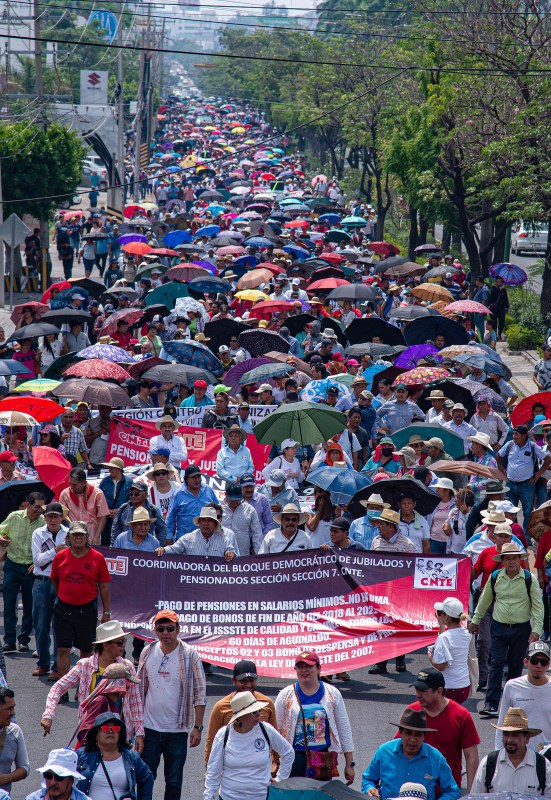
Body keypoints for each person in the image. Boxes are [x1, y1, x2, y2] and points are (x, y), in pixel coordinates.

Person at [137, 610, 207, 800]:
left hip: (177, 731)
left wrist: (198, 727)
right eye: (161, 629)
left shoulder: (190, 654)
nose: (165, 633)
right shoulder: (148, 651)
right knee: (145, 778)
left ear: (178, 629)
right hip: (149, 728)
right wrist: (137, 729)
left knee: (174, 782)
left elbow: (200, 692)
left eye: (170, 628)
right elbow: (138, 691)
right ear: (155, 630)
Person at [41, 620, 144, 747]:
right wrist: (48, 715)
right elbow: (58, 687)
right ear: (105, 645)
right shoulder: (85, 666)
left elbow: (135, 701)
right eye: (119, 642)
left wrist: (139, 733)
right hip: (92, 735)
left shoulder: (127, 666)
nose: (123, 646)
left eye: (124, 641)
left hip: (120, 736)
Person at [470, 542, 543, 717]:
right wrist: (476, 620)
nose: (511, 562)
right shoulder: (495, 577)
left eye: (514, 558)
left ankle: (512, 705)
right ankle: (491, 703)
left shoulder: (529, 578)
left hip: (521, 629)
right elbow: (484, 601)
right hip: (499, 627)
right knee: (496, 663)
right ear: (502, 561)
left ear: (520, 560)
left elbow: (538, 606)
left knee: (516, 666)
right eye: (508, 559)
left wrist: (537, 630)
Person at [275, 650, 355, 782]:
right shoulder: (285, 695)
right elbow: (276, 731)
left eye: (309, 666)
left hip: (322, 760)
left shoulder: (333, 694)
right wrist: (275, 762)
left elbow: (344, 728)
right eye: (300, 667)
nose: (304, 670)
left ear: (319, 668)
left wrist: (349, 764)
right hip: (294, 760)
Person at [204, 691, 294, 800]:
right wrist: (208, 797)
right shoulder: (223, 734)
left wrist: (280, 780)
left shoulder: (266, 729)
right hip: (229, 797)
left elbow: (288, 753)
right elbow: (213, 771)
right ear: (240, 716)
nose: (258, 714)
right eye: (253, 712)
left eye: (259, 710)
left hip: (261, 797)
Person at [51, 521, 111, 681]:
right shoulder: (60, 557)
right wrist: (65, 596)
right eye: (74, 534)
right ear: (69, 537)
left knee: (86, 651)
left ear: (86, 537)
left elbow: (104, 586)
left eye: (81, 535)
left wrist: (106, 612)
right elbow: (55, 581)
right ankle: (63, 687)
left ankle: (83, 687)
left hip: (87, 610)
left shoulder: (97, 558)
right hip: (64, 609)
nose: (78, 538)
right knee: (62, 649)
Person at [405, 668, 480, 791]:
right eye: (416, 689)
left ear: (439, 691)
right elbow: (397, 748)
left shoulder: (461, 715)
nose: (418, 695)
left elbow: (471, 755)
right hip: (416, 790)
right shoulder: (412, 712)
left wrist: (472, 793)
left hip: (448, 791)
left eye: (423, 691)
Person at [361, 707, 460, 800]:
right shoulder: (383, 752)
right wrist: (369, 788)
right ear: (400, 732)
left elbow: (452, 790)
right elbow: (368, 779)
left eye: (418, 735)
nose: (412, 740)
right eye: (408, 733)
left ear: (424, 736)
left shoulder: (436, 758)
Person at [204, 659, 277, 765]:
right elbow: (211, 742)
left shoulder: (266, 703)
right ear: (233, 680)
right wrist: (208, 771)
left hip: (260, 770)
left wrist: (276, 767)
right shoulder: (220, 707)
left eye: (251, 680)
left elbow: (276, 739)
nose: (248, 685)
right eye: (243, 681)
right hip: (232, 768)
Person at [0, 489, 45, 652]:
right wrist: (2, 539)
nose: (39, 511)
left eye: (41, 508)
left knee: (29, 605)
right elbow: (0, 531)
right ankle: (9, 640)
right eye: (37, 507)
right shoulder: (14, 517)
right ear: (28, 505)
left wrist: (38, 564)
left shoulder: (42, 522)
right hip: (12, 564)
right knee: (9, 603)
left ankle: (24, 640)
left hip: (31, 568)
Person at [471, 707, 551, 795]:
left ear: (527, 738)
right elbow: (476, 796)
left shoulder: (544, 767)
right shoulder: (488, 764)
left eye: (515, 735)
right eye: (506, 734)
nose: (509, 740)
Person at [77, 712, 153, 800]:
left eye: (115, 728)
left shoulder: (131, 757)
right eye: (105, 728)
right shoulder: (82, 755)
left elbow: (147, 778)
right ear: (96, 734)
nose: (111, 731)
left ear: (119, 734)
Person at [31, 502, 68, 678]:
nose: (53, 520)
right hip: (42, 581)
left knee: (59, 625)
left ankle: (56, 666)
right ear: (44, 518)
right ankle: (43, 663)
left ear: (62, 518)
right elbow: (37, 560)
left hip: (62, 582)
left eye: (56, 516)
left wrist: (56, 554)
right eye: (50, 516)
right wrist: (56, 551)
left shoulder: (68, 534)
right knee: (40, 624)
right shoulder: (38, 533)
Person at [494, 641, 551, 753]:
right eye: (534, 661)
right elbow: (502, 723)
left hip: (547, 756)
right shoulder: (512, 686)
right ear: (526, 662)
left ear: (548, 665)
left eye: (543, 662)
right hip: (518, 755)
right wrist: (498, 752)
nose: (539, 665)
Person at [497, 425, 551, 536]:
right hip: (510, 484)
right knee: (510, 512)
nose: (514, 436)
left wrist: (538, 474)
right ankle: (512, 534)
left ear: (524, 436)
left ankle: (526, 536)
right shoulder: (510, 445)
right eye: (513, 434)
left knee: (527, 512)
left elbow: (547, 459)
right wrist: (502, 469)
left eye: (516, 434)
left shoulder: (533, 446)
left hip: (527, 485)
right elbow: (498, 455)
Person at [428, 598, 471, 704]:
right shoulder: (466, 633)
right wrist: (442, 626)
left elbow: (441, 666)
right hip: (464, 687)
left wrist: (430, 657)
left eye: (439, 613)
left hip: (449, 688)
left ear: (446, 616)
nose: (438, 615)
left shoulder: (444, 638)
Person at [156, 506, 235, 559]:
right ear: (199, 523)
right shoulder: (188, 538)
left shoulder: (224, 539)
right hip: (193, 581)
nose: (206, 524)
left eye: (210, 521)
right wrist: (163, 550)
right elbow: (173, 549)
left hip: (215, 581)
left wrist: (230, 554)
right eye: (203, 520)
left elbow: (233, 554)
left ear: (215, 524)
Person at [165, 465, 217, 541]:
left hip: (207, 538)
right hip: (184, 539)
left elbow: (218, 510)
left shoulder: (208, 490)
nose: (197, 480)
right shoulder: (178, 494)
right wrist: (169, 537)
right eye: (193, 477)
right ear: (186, 479)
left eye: (199, 476)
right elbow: (170, 517)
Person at [59, 468, 109, 546]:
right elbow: (62, 515)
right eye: (70, 483)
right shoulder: (65, 494)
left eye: (75, 484)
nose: (72, 487)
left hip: (92, 534)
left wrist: (97, 536)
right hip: (73, 533)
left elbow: (103, 516)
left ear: (84, 483)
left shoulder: (97, 493)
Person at [111, 479, 168, 546]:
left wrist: (158, 546)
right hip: (125, 547)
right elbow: (115, 528)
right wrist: (114, 546)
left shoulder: (153, 510)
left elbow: (162, 529)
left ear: (146, 494)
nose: (133, 496)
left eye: (137, 494)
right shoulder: (123, 508)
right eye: (131, 494)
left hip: (147, 547)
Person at [0, 688, 30, 793]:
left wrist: (7, 778)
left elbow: (25, 768)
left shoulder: (15, 731)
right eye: (9, 708)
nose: (13, 713)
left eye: (13, 708)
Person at [221, 483, 263, 556]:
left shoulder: (250, 510)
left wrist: (259, 555)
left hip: (242, 554)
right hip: (222, 553)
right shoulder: (219, 510)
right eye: (232, 499)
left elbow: (257, 533)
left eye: (237, 499)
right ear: (226, 495)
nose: (234, 502)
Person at [99, 457, 132, 547]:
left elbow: (131, 500)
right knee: (105, 541)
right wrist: (106, 510)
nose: (110, 470)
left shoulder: (129, 482)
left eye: (112, 468)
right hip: (107, 518)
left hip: (122, 518)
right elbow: (99, 497)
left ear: (119, 469)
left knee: (120, 542)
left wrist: (119, 510)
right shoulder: (105, 482)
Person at [239, 473, 273, 537]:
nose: (249, 489)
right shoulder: (236, 500)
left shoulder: (262, 499)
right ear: (241, 487)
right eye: (246, 487)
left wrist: (262, 538)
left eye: (251, 486)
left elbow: (269, 522)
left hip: (259, 538)